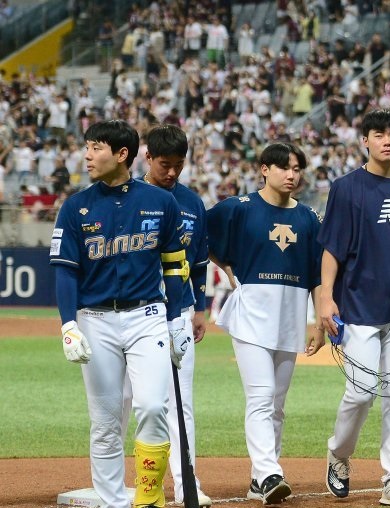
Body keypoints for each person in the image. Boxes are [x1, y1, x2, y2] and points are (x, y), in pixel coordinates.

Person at [51, 120, 190, 508]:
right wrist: (68, 324)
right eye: (87, 147)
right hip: (95, 320)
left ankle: (148, 495)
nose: (87, 155)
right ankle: (113, 502)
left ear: (121, 154)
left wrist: (177, 318)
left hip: (147, 315)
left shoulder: (161, 202)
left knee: (153, 406)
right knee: (106, 420)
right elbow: (65, 270)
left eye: (95, 148)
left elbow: (174, 265)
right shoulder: (75, 207)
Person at [317, 110, 390, 507]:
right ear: (365, 140)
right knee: (361, 392)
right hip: (358, 306)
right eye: (379, 134)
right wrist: (326, 296)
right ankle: (339, 453)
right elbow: (331, 247)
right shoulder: (346, 187)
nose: (387, 140)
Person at [207, 142, 324, 503]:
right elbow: (201, 235)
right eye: (284, 167)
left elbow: (317, 275)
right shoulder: (238, 208)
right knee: (260, 397)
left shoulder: (308, 217)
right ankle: (270, 472)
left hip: (291, 315)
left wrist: (320, 323)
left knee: (276, 403)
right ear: (264, 169)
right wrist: (226, 268)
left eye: (297, 169)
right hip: (252, 314)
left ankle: (260, 479)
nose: (292, 175)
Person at [124, 125, 213, 506]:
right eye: (165, 164)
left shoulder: (192, 202)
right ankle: (116, 484)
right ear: (148, 158)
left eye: (179, 164)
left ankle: (186, 483)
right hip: (134, 310)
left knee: (181, 401)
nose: (173, 172)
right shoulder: (129, 197)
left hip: (180, 311)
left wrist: (201, 308)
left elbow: (200, 261)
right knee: (124, 400)